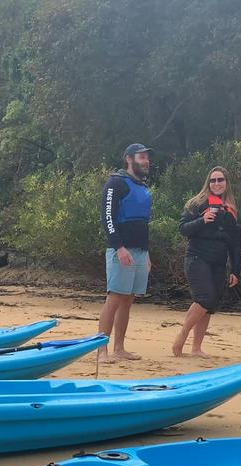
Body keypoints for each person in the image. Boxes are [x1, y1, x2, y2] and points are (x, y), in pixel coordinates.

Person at [172, 166, 241, 357]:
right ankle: (182, 336)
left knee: (210, 305)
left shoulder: (232, 210)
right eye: (213, 180)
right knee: (204, 297)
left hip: (219, 262)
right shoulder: (196, 204)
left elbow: (236, 244)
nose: (217, 183)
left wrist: (236, 269)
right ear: (208, 182)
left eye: (220, 180)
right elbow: (183, 228)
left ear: (226, 183)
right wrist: (203, 220)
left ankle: (196, 348)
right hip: (197, 257)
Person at [97, 143, 154, 362]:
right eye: (141, 157)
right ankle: (102, 350)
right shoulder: (115, 183)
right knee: (115, 297)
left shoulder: (142, 186)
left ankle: (119, 348)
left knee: (128, 299)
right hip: (120, 249)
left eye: (146, 157)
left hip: (139, 251)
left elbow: (144, 223)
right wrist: (119, 247)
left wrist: (147, 253)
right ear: (129, 159)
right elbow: (108, 217)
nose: (145, 161)